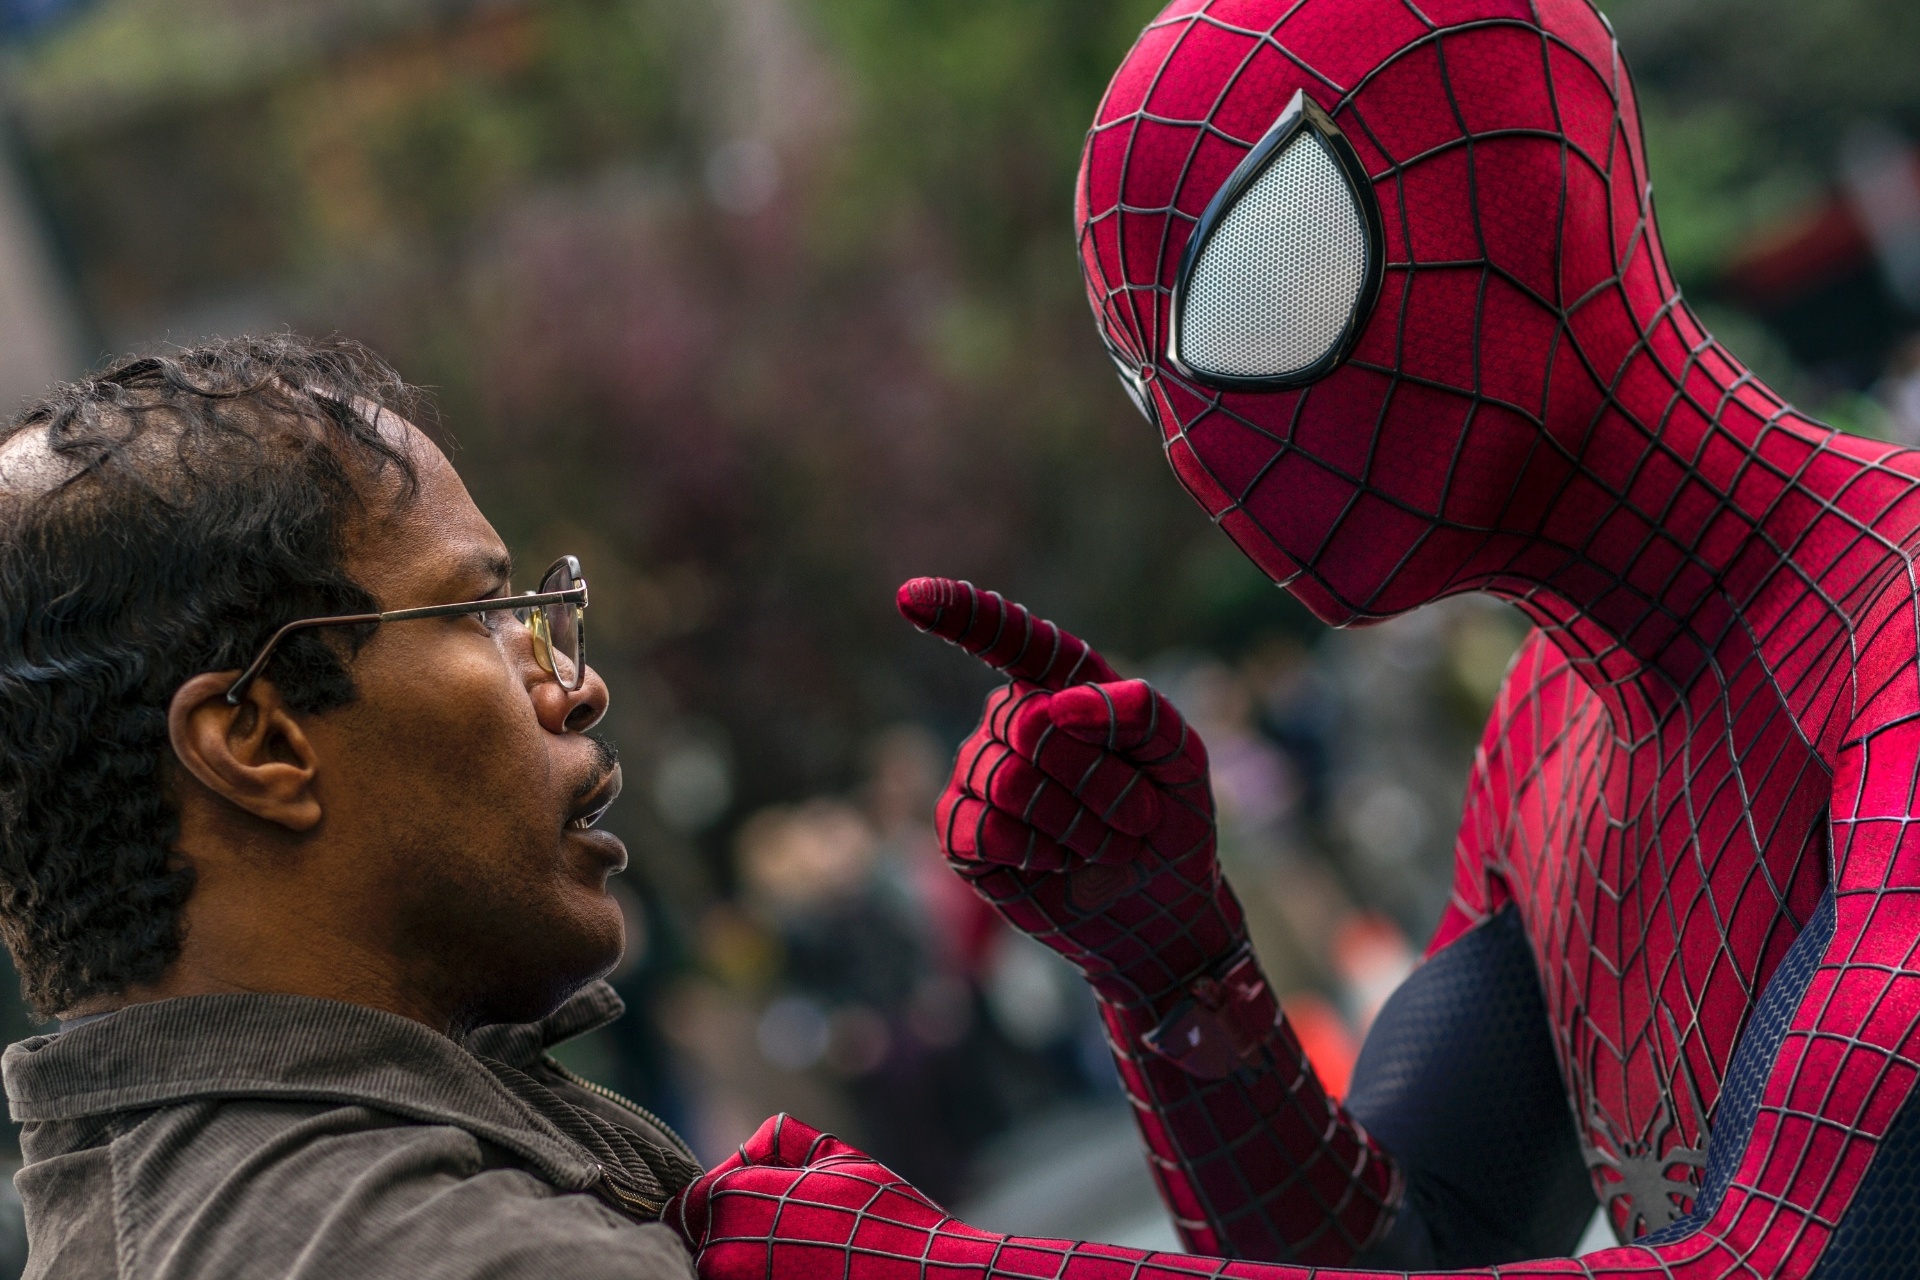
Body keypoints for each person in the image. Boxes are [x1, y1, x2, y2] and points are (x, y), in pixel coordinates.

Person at [667, 0, 1920, 1276]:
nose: (1200, 441)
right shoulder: (1547, 741)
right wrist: (1176, 971)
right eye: (1146, 377)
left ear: (1521, 161)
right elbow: (1400, 1248)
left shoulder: (1900, 630)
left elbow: (1782, 1258)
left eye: (1269, 276)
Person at [0, 336, 700, 1278]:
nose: (575, 688)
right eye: (479, 613)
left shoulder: (173, 1207)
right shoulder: (464, 1256)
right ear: (259, 742)